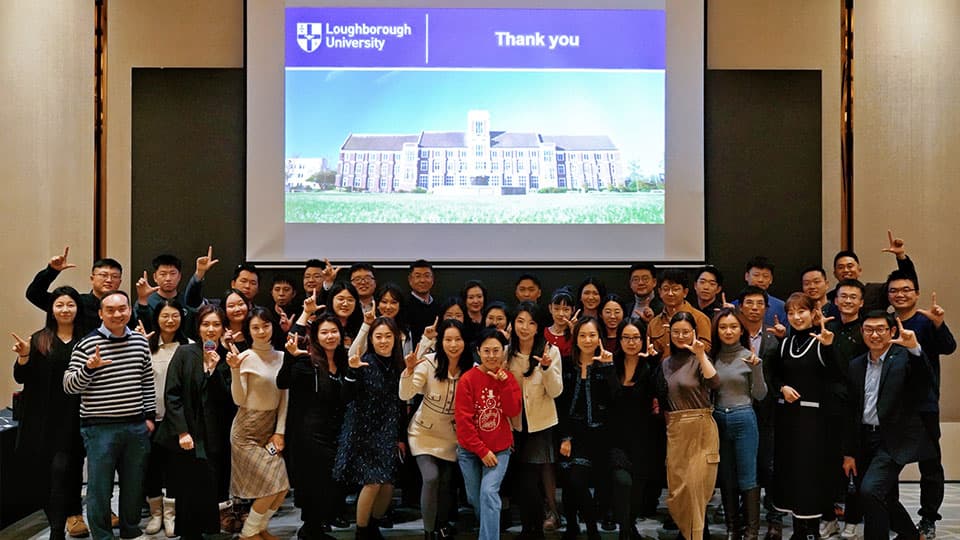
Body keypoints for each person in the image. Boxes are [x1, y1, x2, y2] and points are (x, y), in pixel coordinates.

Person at [63, 290, 155, 540]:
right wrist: (89, 368)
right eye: (111, 310)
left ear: (129, 310)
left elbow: (147, 380)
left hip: (136, 426)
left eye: (122, 308)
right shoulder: (87, 344)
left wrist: (148, 417)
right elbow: (69, 385)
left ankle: (130, 530)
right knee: (99, 489)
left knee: (134, 486)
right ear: (101, 313)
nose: (117, 314)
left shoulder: (139, 342)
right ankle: (103, 536)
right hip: (99, 428)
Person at [842, 311, 932, 540]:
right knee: (884, 496)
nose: (874, 334)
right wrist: (849, 453)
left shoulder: (904, 358)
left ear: (892, 331)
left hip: (892, 439)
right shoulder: (856, 365)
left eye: (880, 329)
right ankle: (912, 535)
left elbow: (925, 383)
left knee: (870, 491)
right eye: (869, 329)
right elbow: (851, 411)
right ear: (862, 332)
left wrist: (915, 349)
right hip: (864, 437)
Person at [10, 286, 87, 540]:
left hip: (76, 417)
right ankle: (58, 526)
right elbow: (21, 377)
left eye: (70, 304)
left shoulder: (87, 339)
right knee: (52, 472)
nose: (65, 309)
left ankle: (64, 523)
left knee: (68, 469)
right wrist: (23, 357)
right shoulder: (39, 339)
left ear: (78, 308)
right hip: (43, 419)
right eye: (59, 305)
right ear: (51, 310)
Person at [884, 270, 955, 539]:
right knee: (887, 464)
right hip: (890, 406)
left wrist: (939, 324)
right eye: (894, 290)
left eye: (906, 289)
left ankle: (928, 519)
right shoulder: (884, 321)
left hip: (924, 405)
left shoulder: (926, 321)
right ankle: (892, 516)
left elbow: (949, 347)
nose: (900, 294)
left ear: (916, 293)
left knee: (930, 466)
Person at [155, 305, 233, 540]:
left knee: (210, 485)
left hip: (215, 432)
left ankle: (207, 529)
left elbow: (230, 396)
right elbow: (172, 394)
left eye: (216, 325)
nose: (211, 330)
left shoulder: (228, 356)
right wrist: (182, 431)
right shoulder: (185, 353)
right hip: (187, 433)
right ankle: (189, 533)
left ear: (223, 328)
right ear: (198, 328)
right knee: (187, 487)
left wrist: (213, 370)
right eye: (206, 324)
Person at [768, 293, 839, 540]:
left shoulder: (823, 341)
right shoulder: (785, 343)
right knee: (790, 473)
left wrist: (829, 347)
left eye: (802, 311)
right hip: (788, 420)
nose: (796, 317)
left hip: (815, 422)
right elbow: (774, 375)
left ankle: (811, 531)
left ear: (813, 313)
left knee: (811, 475)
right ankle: (798, 530)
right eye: (791, 312)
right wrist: (782, 388)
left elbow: (838, 377)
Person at [334, 316, 407, 540]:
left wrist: (400, 436)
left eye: (388, 336)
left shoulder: (398, 365)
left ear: (396, 339)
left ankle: (373, 526)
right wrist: (353, 372)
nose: (383, 341)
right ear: (371, 339)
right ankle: (362, 531)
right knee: (373, 482)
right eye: (378, 336)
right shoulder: (363, 362)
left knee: (387, 484)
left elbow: (401, 403)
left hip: (388, 431)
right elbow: (345, 396)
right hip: (362, 431)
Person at [400, 319, 473, 540]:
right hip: (423, 433)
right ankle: (428, 532)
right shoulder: (428, 363)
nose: (453, 344)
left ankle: (440, 526)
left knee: (445, 484)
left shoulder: (472, 368)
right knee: (431, 478)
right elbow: (405, 394)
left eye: (457, 339)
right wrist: (410, 369)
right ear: (440, 342)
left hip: (452, 436)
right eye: (447, 339)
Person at [278, 313, 349, 540]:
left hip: (335, 431)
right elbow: (283, 381)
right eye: (324, 332)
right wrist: (291, 357)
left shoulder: (344, 360)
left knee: (330, 485)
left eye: (334, 331)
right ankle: (310, 529)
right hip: (309, 433)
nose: (330, 336)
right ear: (316, 336)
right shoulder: (305, 360)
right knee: (314, 483)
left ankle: (314, 528)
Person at [225, 307, 290, 540]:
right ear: (248, 331)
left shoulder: (283, 357)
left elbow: (284, 399)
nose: (261, 331)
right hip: (246, 431)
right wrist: (234, 370)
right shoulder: (243, 358)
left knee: (282, 488)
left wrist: (280, 432)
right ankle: (249, 533)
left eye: (265, 325)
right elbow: (238, 400)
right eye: (255, 327)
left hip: (270, 428)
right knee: (272, 485)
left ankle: (260, 529)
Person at [655, 311, 720, 540]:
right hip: (675, 429)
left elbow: (714, 382)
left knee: (695, 487)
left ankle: (695, 536)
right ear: (669, 333)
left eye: (686, 331)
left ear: (694, 333)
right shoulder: (664, 364)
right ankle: (692, 533)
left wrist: (701, 355)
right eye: (676, 332)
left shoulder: (700, 358)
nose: (681, 336)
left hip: (701, 427)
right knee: (678, 492)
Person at [455, 327, 521, 540]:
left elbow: (513, 411)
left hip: (500, 448)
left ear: (503, 351)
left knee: (488, 493)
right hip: (470, 450)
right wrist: (481, 451)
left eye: (496, 350)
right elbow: (464, 424)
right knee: (476, 498)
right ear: (478, 352)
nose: (492, 356)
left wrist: (504, 384)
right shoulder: (467, 379)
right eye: (487, 351)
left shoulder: (508, 378)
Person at [506, 302, 563, 538]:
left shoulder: (550, 350)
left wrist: (547, 369)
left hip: (541, 424)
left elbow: (557, 391)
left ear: (538, 326)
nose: (525, 327)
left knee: (532, 479)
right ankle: (530, 526)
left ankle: (535, 527)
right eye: (520, 321)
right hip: (514, 424)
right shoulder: (507, 352)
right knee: (523, 480)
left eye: (530, 322)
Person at [557, 316, 618, 540]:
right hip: (571, 434)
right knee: (571, 481)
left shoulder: (606, 363)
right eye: (582, 335)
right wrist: (565, 437)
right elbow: (560, 404)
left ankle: (590, 529)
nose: (587, 339)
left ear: (599, 337)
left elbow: (615, 400)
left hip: (599, 435)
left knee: (578, 481)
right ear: (575, 338)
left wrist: (609, 368)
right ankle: (575, 526)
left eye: (592, 335)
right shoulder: (565, 364)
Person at [711, 308, 767, 540]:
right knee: (726, 476)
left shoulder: (749, 355)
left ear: (741, 329)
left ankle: (751, 531)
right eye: (723, 327)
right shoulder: (711, 356)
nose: (728, 331)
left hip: (744, 417)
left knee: (748, 476)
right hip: (717, 419)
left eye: (733, 326)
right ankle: (733, 529)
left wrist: (757, 368)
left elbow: (761, 395)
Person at [736, 286, 786, 540]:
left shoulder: (775, 338)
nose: (754, 307)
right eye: (749, 303)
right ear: (740, 307)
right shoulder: (732, 335)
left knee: (769, 467)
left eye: (759, 303)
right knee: (744, 467)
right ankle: (747, 519)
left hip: (768, 413)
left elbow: (781, 374)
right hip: (738, 410)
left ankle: (774, 519)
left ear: (766, 308)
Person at [823, 280, 868, 540]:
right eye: (843, 296)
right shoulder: (828, 327)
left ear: (861, 302)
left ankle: (852, 520)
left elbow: (850, 371)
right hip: (828, 408)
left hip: (856, 407)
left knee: (853, 467)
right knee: (827, 468)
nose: (848, 301)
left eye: (854, 297)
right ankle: (829, 519)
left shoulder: (866, 330)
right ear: (836, 300)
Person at [143, 299, 191, 537]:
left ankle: (171, 514)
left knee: (175, 468)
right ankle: (155, 514)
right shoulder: (146, 345)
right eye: (165, 316)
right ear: (157, 318)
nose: (170, 320)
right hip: (151, 418)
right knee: (151, 467)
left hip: (178, 419)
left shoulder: (189, 346)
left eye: (175, 315)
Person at [609, 319, 657, 540]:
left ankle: (629, 527)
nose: (631, 342)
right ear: (619, 340)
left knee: (637, 491)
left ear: (643, 339)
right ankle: (625, 530)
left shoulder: (649, 368)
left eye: (635, 337)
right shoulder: (610, 365)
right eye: (626, 337)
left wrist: (655, 362)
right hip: (615, 440)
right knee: (622, 482)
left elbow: (662, 395)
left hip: (643, 440)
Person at [26, 249, 127, 333]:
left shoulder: (124, 308)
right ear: (92, 278)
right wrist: (52, 271)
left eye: (114, 276)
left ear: (120, 281)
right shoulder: (76, 302)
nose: (109, 280)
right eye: (103, 275)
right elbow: (34, 294)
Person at [828, 230, 916, 311]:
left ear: (859, 270)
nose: (846, 270)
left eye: (850, 266)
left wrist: (900, 256)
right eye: (840, 267)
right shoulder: (830, 298)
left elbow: (908, 280)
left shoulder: (875, 291)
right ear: (835, 274)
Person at [133, 253, 204, 337]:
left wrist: (199, 273)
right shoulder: (145, 302)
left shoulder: (187, 301)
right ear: (155, 277)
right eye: (163, 274)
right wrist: (142, 299)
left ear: (179, 276)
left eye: (173, 273)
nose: (168, 279)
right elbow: (142, 328)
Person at [648, 270, 713, 355]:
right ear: (660, 292)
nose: (670, 293)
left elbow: (706, 349)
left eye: (675, 289)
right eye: (666, 289)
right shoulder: (654, 323)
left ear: (685, 292)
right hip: (662, 367)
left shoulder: (700, 318)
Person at [350, 282, 414, 358]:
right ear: (377, 304)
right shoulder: (369, 325)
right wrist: (366, 325)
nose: (388, 307)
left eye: (393, 302)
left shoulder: (405, 329)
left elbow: (408, 358)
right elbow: (352, 355)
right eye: (384, 302)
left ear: (400, 305)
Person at [739, 257, 787, 328]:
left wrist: (782, 335)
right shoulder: (734, 306)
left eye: (765, 276)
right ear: (747, 276)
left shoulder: (781, 307)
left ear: (771, 279)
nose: (760, 280)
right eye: (756, 275)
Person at [407, 260, 441, 343]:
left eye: (427, 276)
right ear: (410, 280)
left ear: (432, 280)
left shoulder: (440, 306)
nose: (422, 280)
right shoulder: (403, 305)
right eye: (418, 276)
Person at [327, 281, 364, 348]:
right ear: (331, 300)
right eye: (340, 299)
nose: (345, 304)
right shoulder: (322, 324)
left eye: (350, 300)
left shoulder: (362, 326)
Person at [545, 287, 576, 359]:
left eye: (566, 309)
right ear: (550, 308)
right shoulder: (543, 333)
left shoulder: (575, 335)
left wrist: (575, 334)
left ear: (573, 310)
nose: (561, 314)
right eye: (556, 309)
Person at [461, 280, 488, 345]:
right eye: (471, 297)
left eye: (479, 297)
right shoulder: (461, 319)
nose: (475, 301)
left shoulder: (489, 318)